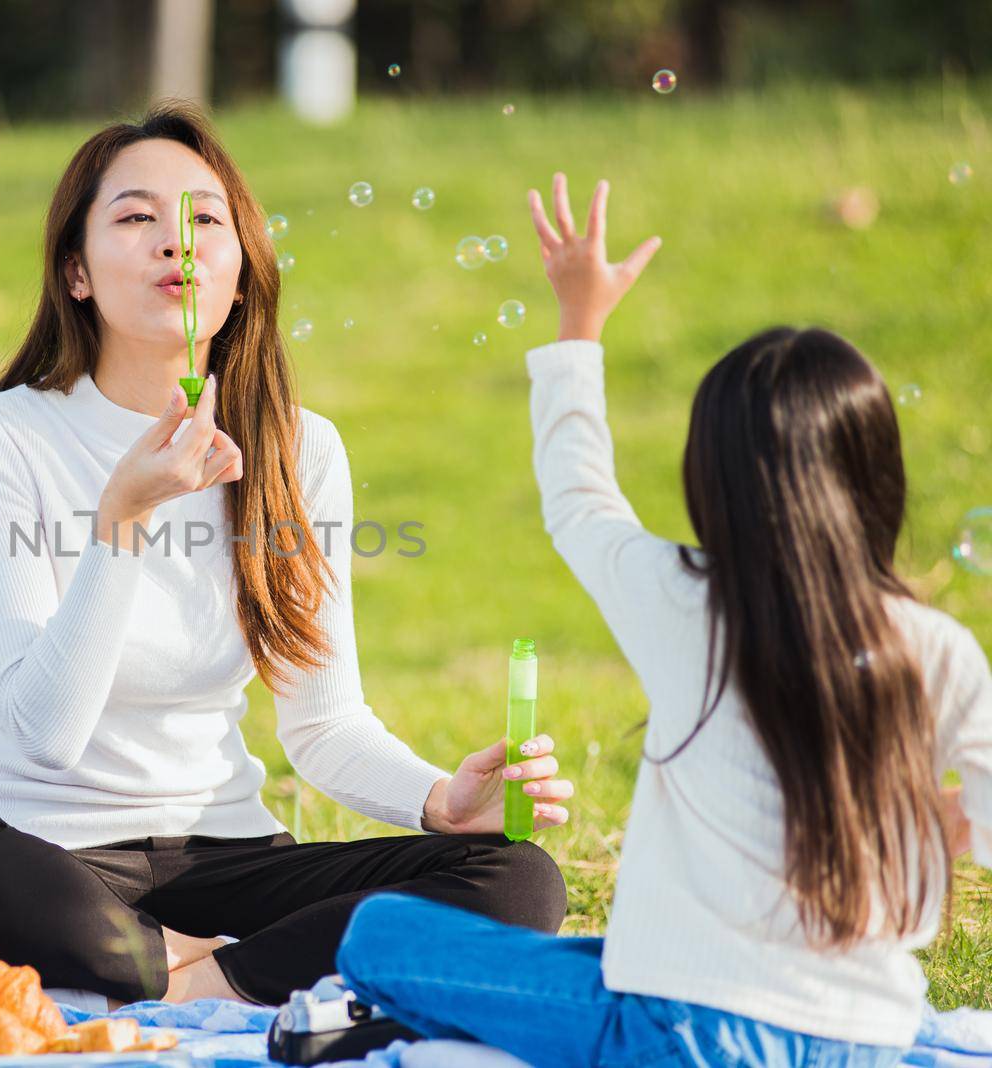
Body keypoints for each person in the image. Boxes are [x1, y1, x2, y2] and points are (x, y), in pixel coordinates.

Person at [0, 101, 572, 1009]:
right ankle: (215, 965)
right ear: (76, 272)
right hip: (48, 861)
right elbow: (48, 733)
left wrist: (437, 802)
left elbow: (324, 724)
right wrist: (123, 518)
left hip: (230, 862)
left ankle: (196, 979)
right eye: (135, 216)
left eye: (203, 219)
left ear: (240, 269)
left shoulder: (299, 449)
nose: (174, 243)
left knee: (519, 880)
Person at [336, 173, 992, 1066]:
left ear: (710, 478)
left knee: (379, 935)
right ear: (878, 476)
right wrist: (946, 820)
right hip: (866, 1043)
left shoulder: (688, 601)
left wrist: (581, 318)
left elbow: (578, 497)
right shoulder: (940, 649)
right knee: (583, 961)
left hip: (678, 1035)